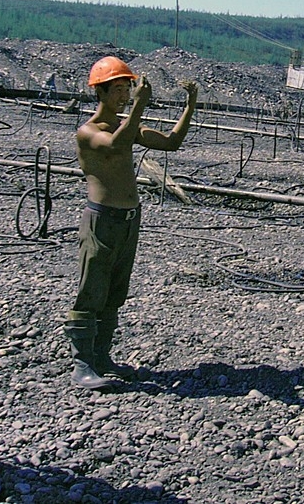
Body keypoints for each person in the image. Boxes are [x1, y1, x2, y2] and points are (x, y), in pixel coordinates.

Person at [64, 55, 199, 390]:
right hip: (102, 220)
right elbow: (115, 145)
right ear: (101, 92)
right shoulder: (89, 132)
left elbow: (171, 142)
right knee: (91, 290)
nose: (124, 95)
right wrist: (139, 106)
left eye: (128, 88)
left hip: (127, 221)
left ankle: (101, 357)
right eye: (119, 89)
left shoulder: (128, 127)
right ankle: (82, 365)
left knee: (113, 292)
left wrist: (190, 105)